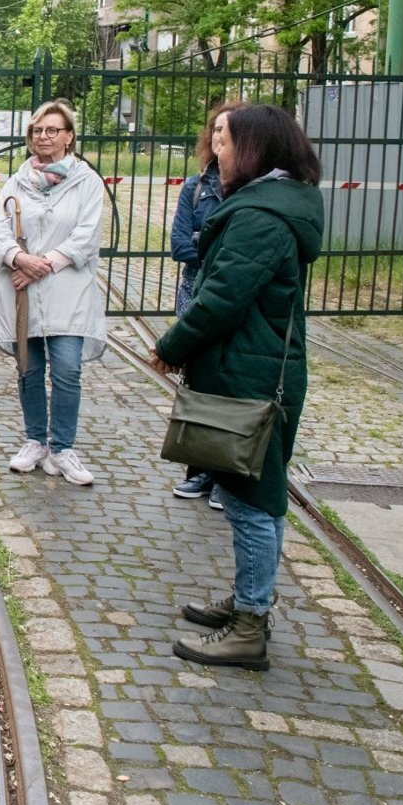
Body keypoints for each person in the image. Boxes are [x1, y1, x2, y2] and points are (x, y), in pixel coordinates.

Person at [153, 105, 323, 671]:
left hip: (248, 374)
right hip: (258, 366)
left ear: (253, 148)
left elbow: (221, 299)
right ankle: (252, 599)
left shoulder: (260, 217)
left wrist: (171, 346)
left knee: (251, 501)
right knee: (258, 496)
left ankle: (250, 623)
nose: (214, 151)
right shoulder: (274, 205)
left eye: (223, 141)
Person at [0, 99, 107, 487]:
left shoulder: (87, 182)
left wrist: (44, 264)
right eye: (37, 130)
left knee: (68, 369)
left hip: (67, 291)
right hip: (24, 292)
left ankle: (63, 448)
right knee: (29, 368)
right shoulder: (17, 181)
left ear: (69, 137)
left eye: (52, 130)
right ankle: (35, 440)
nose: (44, 137)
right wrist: (19, 258)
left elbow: (86, 236)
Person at [168, 102, 240, 507]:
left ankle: (224, 475)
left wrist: (205, 244)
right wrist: (218, 250)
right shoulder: (195, 187)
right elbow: (180, 246)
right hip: (194, 295)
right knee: (196, 383)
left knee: (228, 384)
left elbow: (240, 256)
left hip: (232, 300)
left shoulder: (250, 193)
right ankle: (198, 472)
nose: (217, 138)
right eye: (214, 130)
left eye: (225, 132)